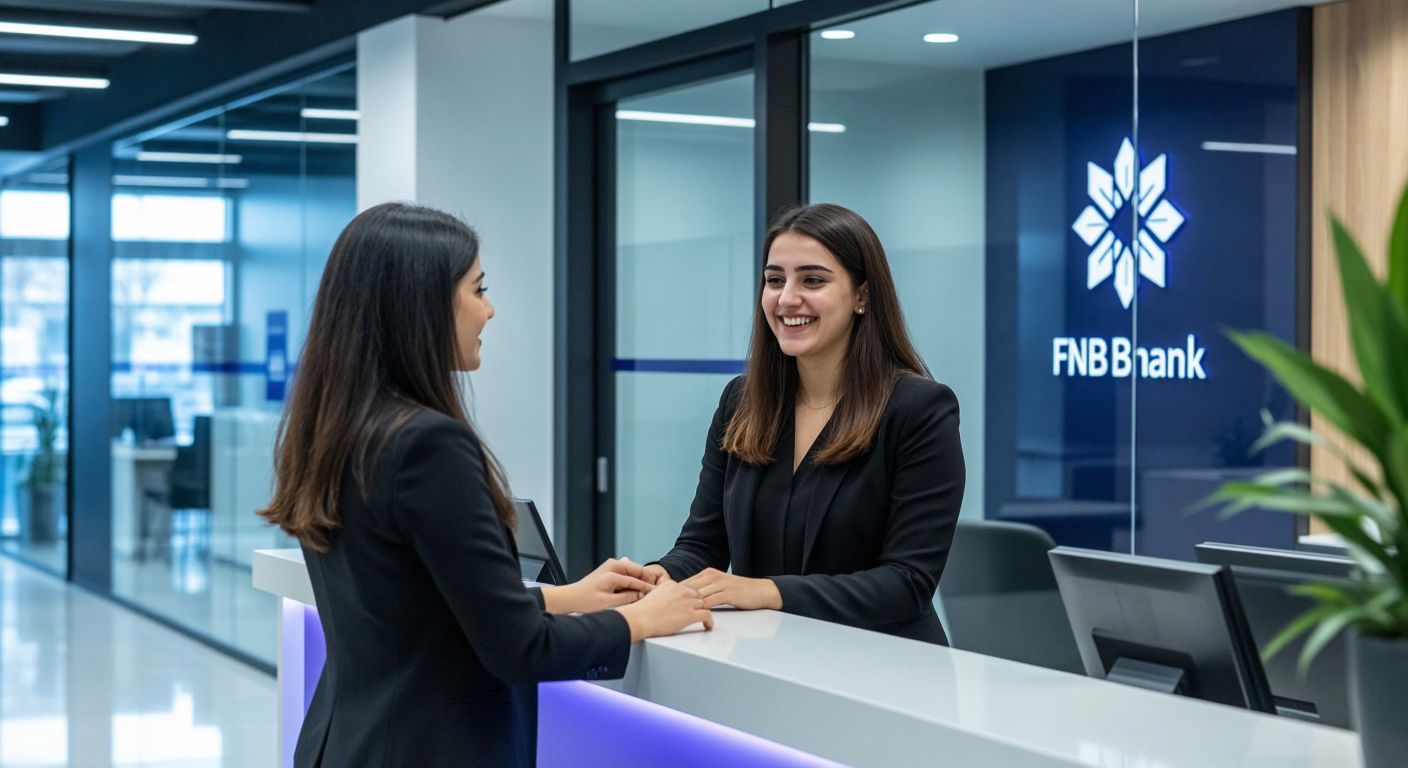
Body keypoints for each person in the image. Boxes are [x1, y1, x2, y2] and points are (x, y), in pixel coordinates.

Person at [259, 202, 712, 767]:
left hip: (346, 743)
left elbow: (410, 607)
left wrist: (562, 598)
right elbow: (520, 651)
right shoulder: (429, 445)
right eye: (477, 290)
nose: (489, 311)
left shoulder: (334, 429)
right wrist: (640, 619)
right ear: (420, 305)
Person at [640, 203, 964, 644]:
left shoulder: (919, 409)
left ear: (863, 296)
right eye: (775, 280)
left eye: (812, 280)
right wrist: (654, 577)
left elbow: (906, 583)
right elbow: (703, 544)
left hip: (888, 671)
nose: (787, 297)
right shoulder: (742, 401)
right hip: (771, 662)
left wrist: (766, 590)